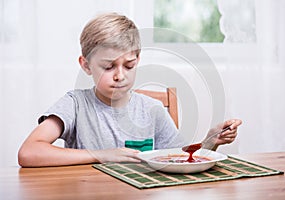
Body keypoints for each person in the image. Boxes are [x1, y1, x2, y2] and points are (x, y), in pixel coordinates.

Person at [18, 13, 242, 167]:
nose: (120, 75)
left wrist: (211, 140)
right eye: (108, 66)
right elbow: (28, 153)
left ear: (138, 60)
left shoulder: (152, 109)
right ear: (86, 65)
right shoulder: (75, 104)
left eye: (129, 65)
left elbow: (178, 158)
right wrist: (101, 156)